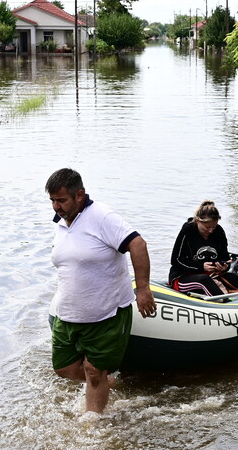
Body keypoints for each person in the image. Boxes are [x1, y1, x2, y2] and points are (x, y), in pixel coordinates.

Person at [46, 168, 156, 414]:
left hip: (106, 313)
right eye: (52, 200)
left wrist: (143, 289)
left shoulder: (102, 217)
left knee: (94, 371)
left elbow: (137, 244)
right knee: (63, 368)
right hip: (69, 314)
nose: (56, 206)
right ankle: (107, 383)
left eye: (61, 200)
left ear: (80, 196)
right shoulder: (62, 223)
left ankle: (94, 427)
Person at [169, 200, 238, 296]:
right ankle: (224, 302)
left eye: (214, 227)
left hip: (210, 275)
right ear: (198, 221)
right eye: (207, 227)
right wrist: (201, 267)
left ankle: (207, 292)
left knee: (234, 279)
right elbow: (176, 260)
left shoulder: (219, 232)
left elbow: (225, 257)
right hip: (183, 276)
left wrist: (224, 267)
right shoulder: (188, 231)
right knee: (204, 280)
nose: (211, 231)